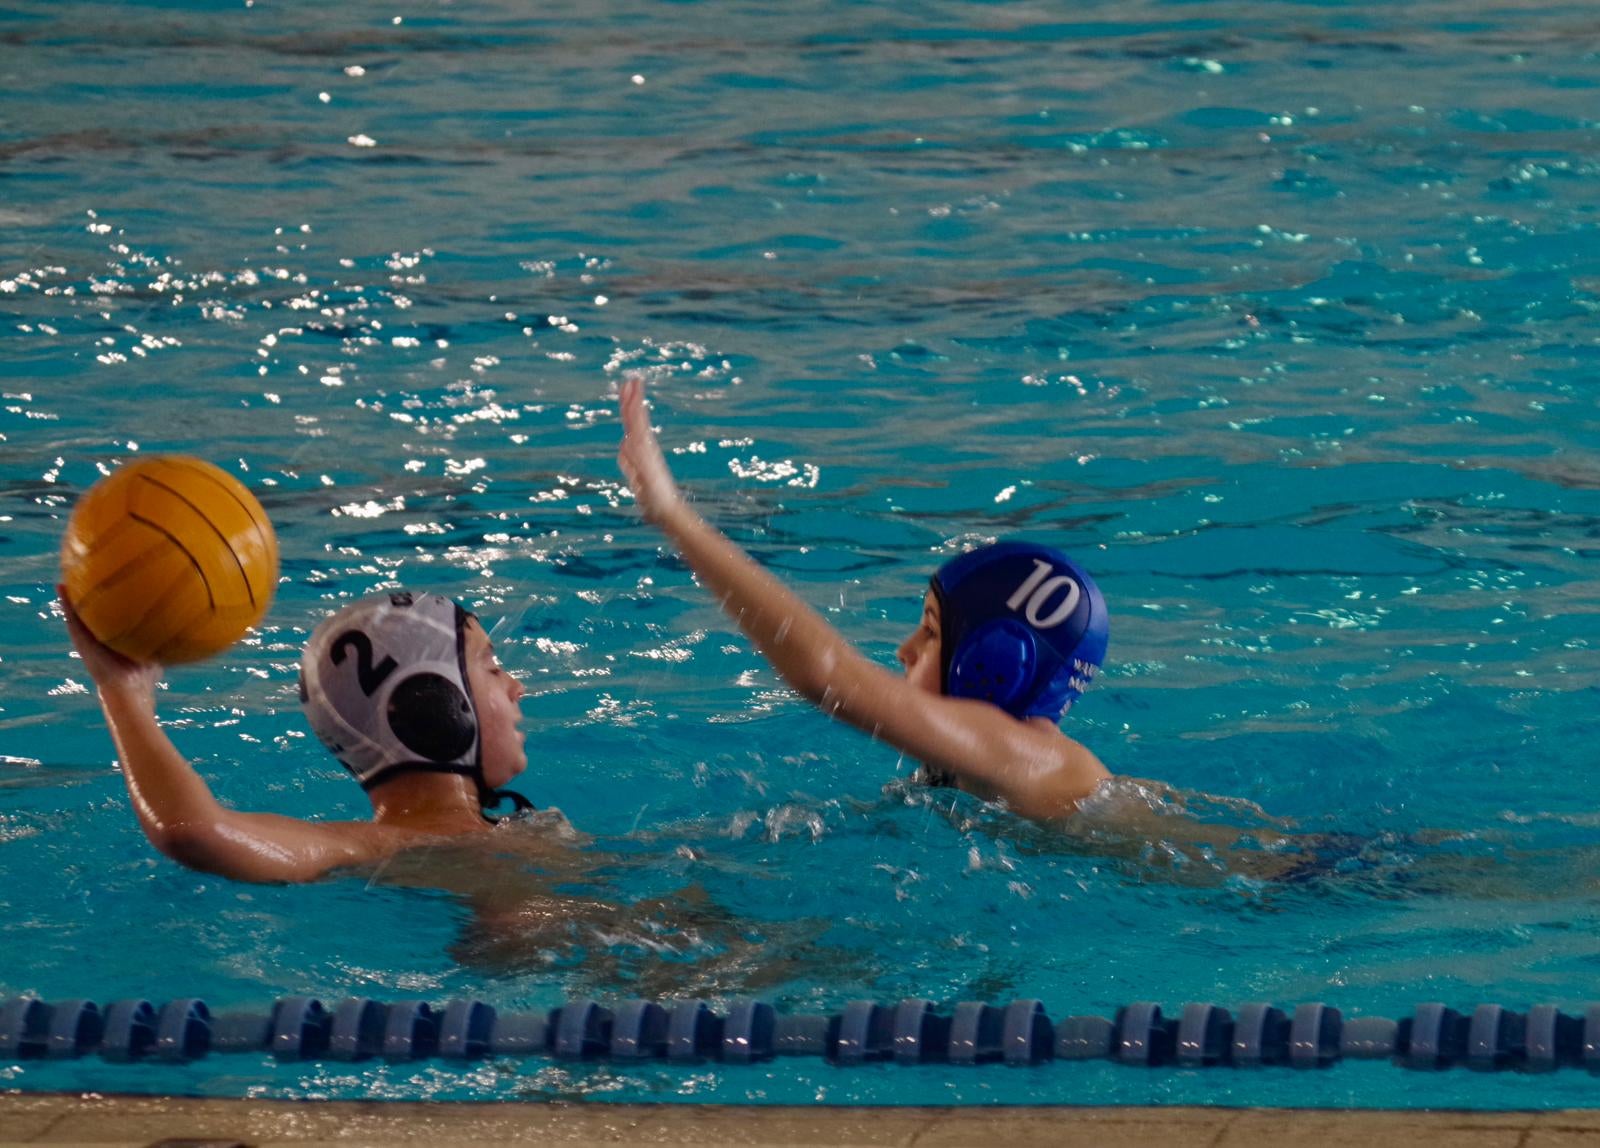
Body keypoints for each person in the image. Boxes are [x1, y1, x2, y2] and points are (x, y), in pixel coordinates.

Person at [616, 375, 1113, 822]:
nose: (906, 648)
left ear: (994, 663)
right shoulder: (970, 773)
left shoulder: (1032, 757)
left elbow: (825, 673)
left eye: (933, 631)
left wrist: (674, 516)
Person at [61, 587, 536, 884]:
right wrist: (123, 693)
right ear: (429, 699)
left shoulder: (523, 829)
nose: (518, 686)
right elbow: (195, 832)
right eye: (492, 668)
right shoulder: (373, 850)